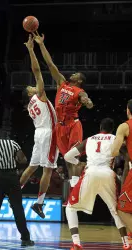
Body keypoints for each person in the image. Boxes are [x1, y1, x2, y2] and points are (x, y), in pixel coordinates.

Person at [33, 33, 93, 202]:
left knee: (72, 160)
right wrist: (41, 44)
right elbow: (50, 64)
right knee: (67, 162)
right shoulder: (62, 83)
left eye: (76, 74)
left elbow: (85, 98)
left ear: (80, 81)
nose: (72, 74)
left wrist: (87, 102)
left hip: (73, 125)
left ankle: (75, 193)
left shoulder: (78, 91)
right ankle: (77, 189)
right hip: (59, 127)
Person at [64, 118, 130, 250]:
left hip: (90, 173)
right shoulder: (114, 139)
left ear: (100, 127)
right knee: (115, 211)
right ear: (112, 129)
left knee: (70, 208)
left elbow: (67, 156)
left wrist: (78, 163)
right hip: (107, 174)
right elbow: (127, 155)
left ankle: (76, 242)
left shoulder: (89, 139)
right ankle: (126, 243)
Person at [20, 35, 59, 218]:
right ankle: (39, 203)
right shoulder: (39, 96)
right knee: (48, 169)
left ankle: (14, 191)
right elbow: (37, 71)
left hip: (38, 133)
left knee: (32, 167)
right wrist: (31, 49)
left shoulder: (30, 106)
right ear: (30, 93)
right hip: (49, 133)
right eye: (31, 87)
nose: (33, 86)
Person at [0, 130, 34, 247]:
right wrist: (15, 162)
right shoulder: (11, 143)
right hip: (11, 177)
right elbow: (23, 160)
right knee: (17, 208)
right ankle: (25, 238)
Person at [111, 99, 132, 241]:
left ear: (128, 110)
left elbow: (113, 151)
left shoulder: (125, 126)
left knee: (122, 210)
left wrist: (124, 147)